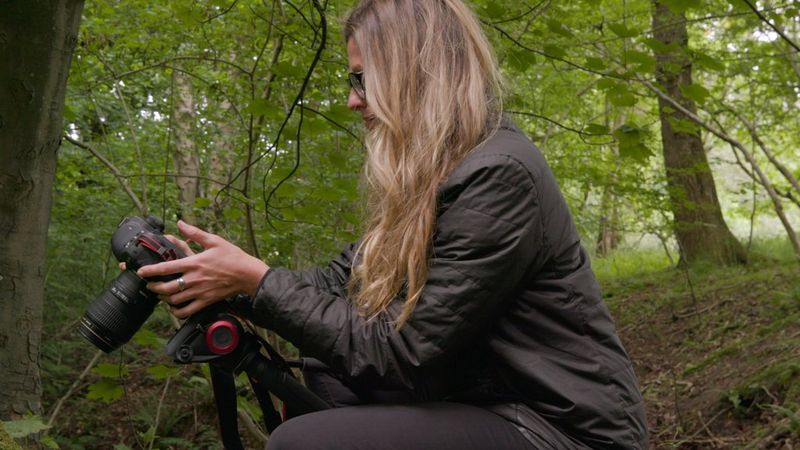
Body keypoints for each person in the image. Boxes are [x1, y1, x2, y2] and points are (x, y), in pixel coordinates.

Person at [137, 0, 649, 448]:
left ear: (414, 72)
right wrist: (217, 277)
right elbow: (339, 281)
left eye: (361, 79)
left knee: (300, 442)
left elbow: (404, 354)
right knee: (324, 378)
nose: (352, 100)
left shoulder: (497, 175)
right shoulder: (435, 174)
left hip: (560, 429)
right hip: (490, 397)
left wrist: (259, 283)